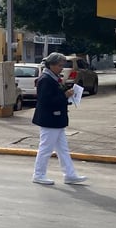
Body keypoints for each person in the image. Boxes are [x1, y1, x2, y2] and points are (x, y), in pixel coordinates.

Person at [32, 52, 88, 186]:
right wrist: (65, 95)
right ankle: (38, 174)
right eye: (59, 65)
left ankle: (70, 174)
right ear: (51, 65)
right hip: (50, 119)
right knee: (46, 148)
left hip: (56, 119)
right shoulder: (46, 79)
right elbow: (46, 101)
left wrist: (66, 94)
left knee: (63, 149)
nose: (62, 67)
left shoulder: (54, 77)